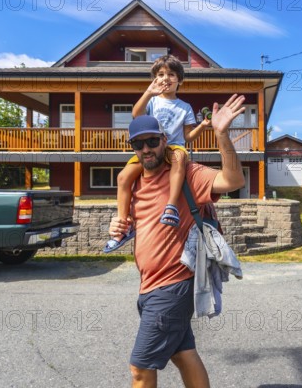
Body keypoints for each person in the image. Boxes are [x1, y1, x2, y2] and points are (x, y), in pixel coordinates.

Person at [108, 94, 246, 388]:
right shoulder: (134, 182)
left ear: (163, 139)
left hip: (172, 287)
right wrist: (117, 223)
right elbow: (136, 225)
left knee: (140, 367)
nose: (146, 149)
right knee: (184, 354)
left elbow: (233, 181)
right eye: (138, 144)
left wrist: (221, 135)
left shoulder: (187, 174)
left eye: (152, 142)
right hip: (148, 286)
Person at [104, 55, 210, 252]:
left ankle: (171, 206)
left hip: (173, 146)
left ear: (179, 80)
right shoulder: (152, 101)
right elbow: (136, 114)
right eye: (161, 74)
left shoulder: (185, 107)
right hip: (150, 147)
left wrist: (203, 126)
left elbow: (188, 137)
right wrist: (148, 93)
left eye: (171, 74)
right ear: (154, 79)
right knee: (123, 177)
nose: (166, 78)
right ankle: (122, 224)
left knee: (179, 158)